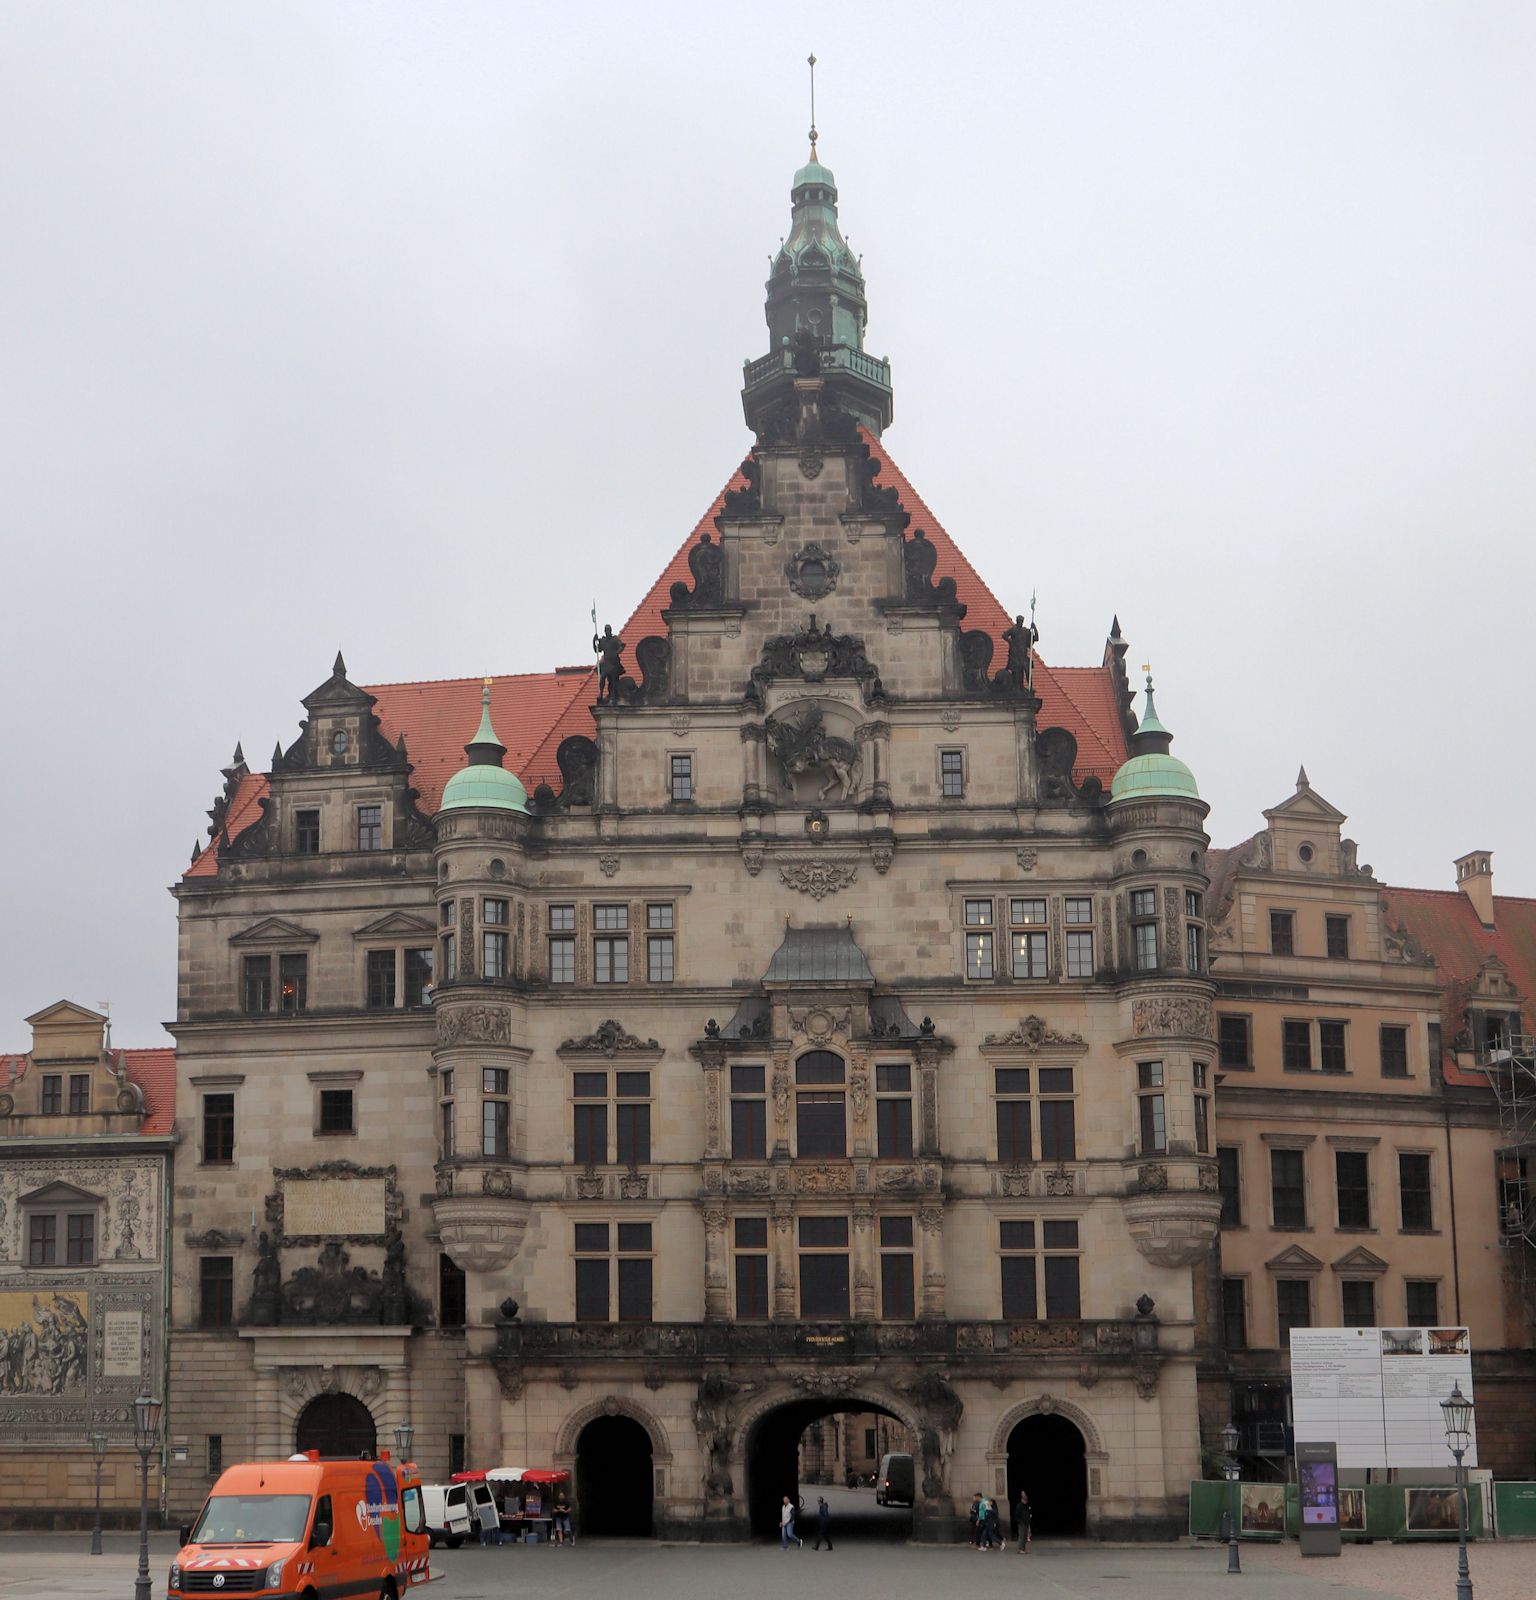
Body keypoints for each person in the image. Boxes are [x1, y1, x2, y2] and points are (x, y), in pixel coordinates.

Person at [1013, 1488, 1032, 1554]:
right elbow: (1017, 1514)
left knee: (1025, 1536)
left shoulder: (1027, 1506)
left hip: (1026, 1522)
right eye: (1024, 1499)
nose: (1025, 1501)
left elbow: (1028, 1513)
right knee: (1021, 1536)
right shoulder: (1019, 1506)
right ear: (1022, 1499)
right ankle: (1020, 1549)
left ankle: (1023, 1549)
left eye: (1026, 1499)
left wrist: (1029, 1520)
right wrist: (1019, 1521)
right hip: (1021, 1523)